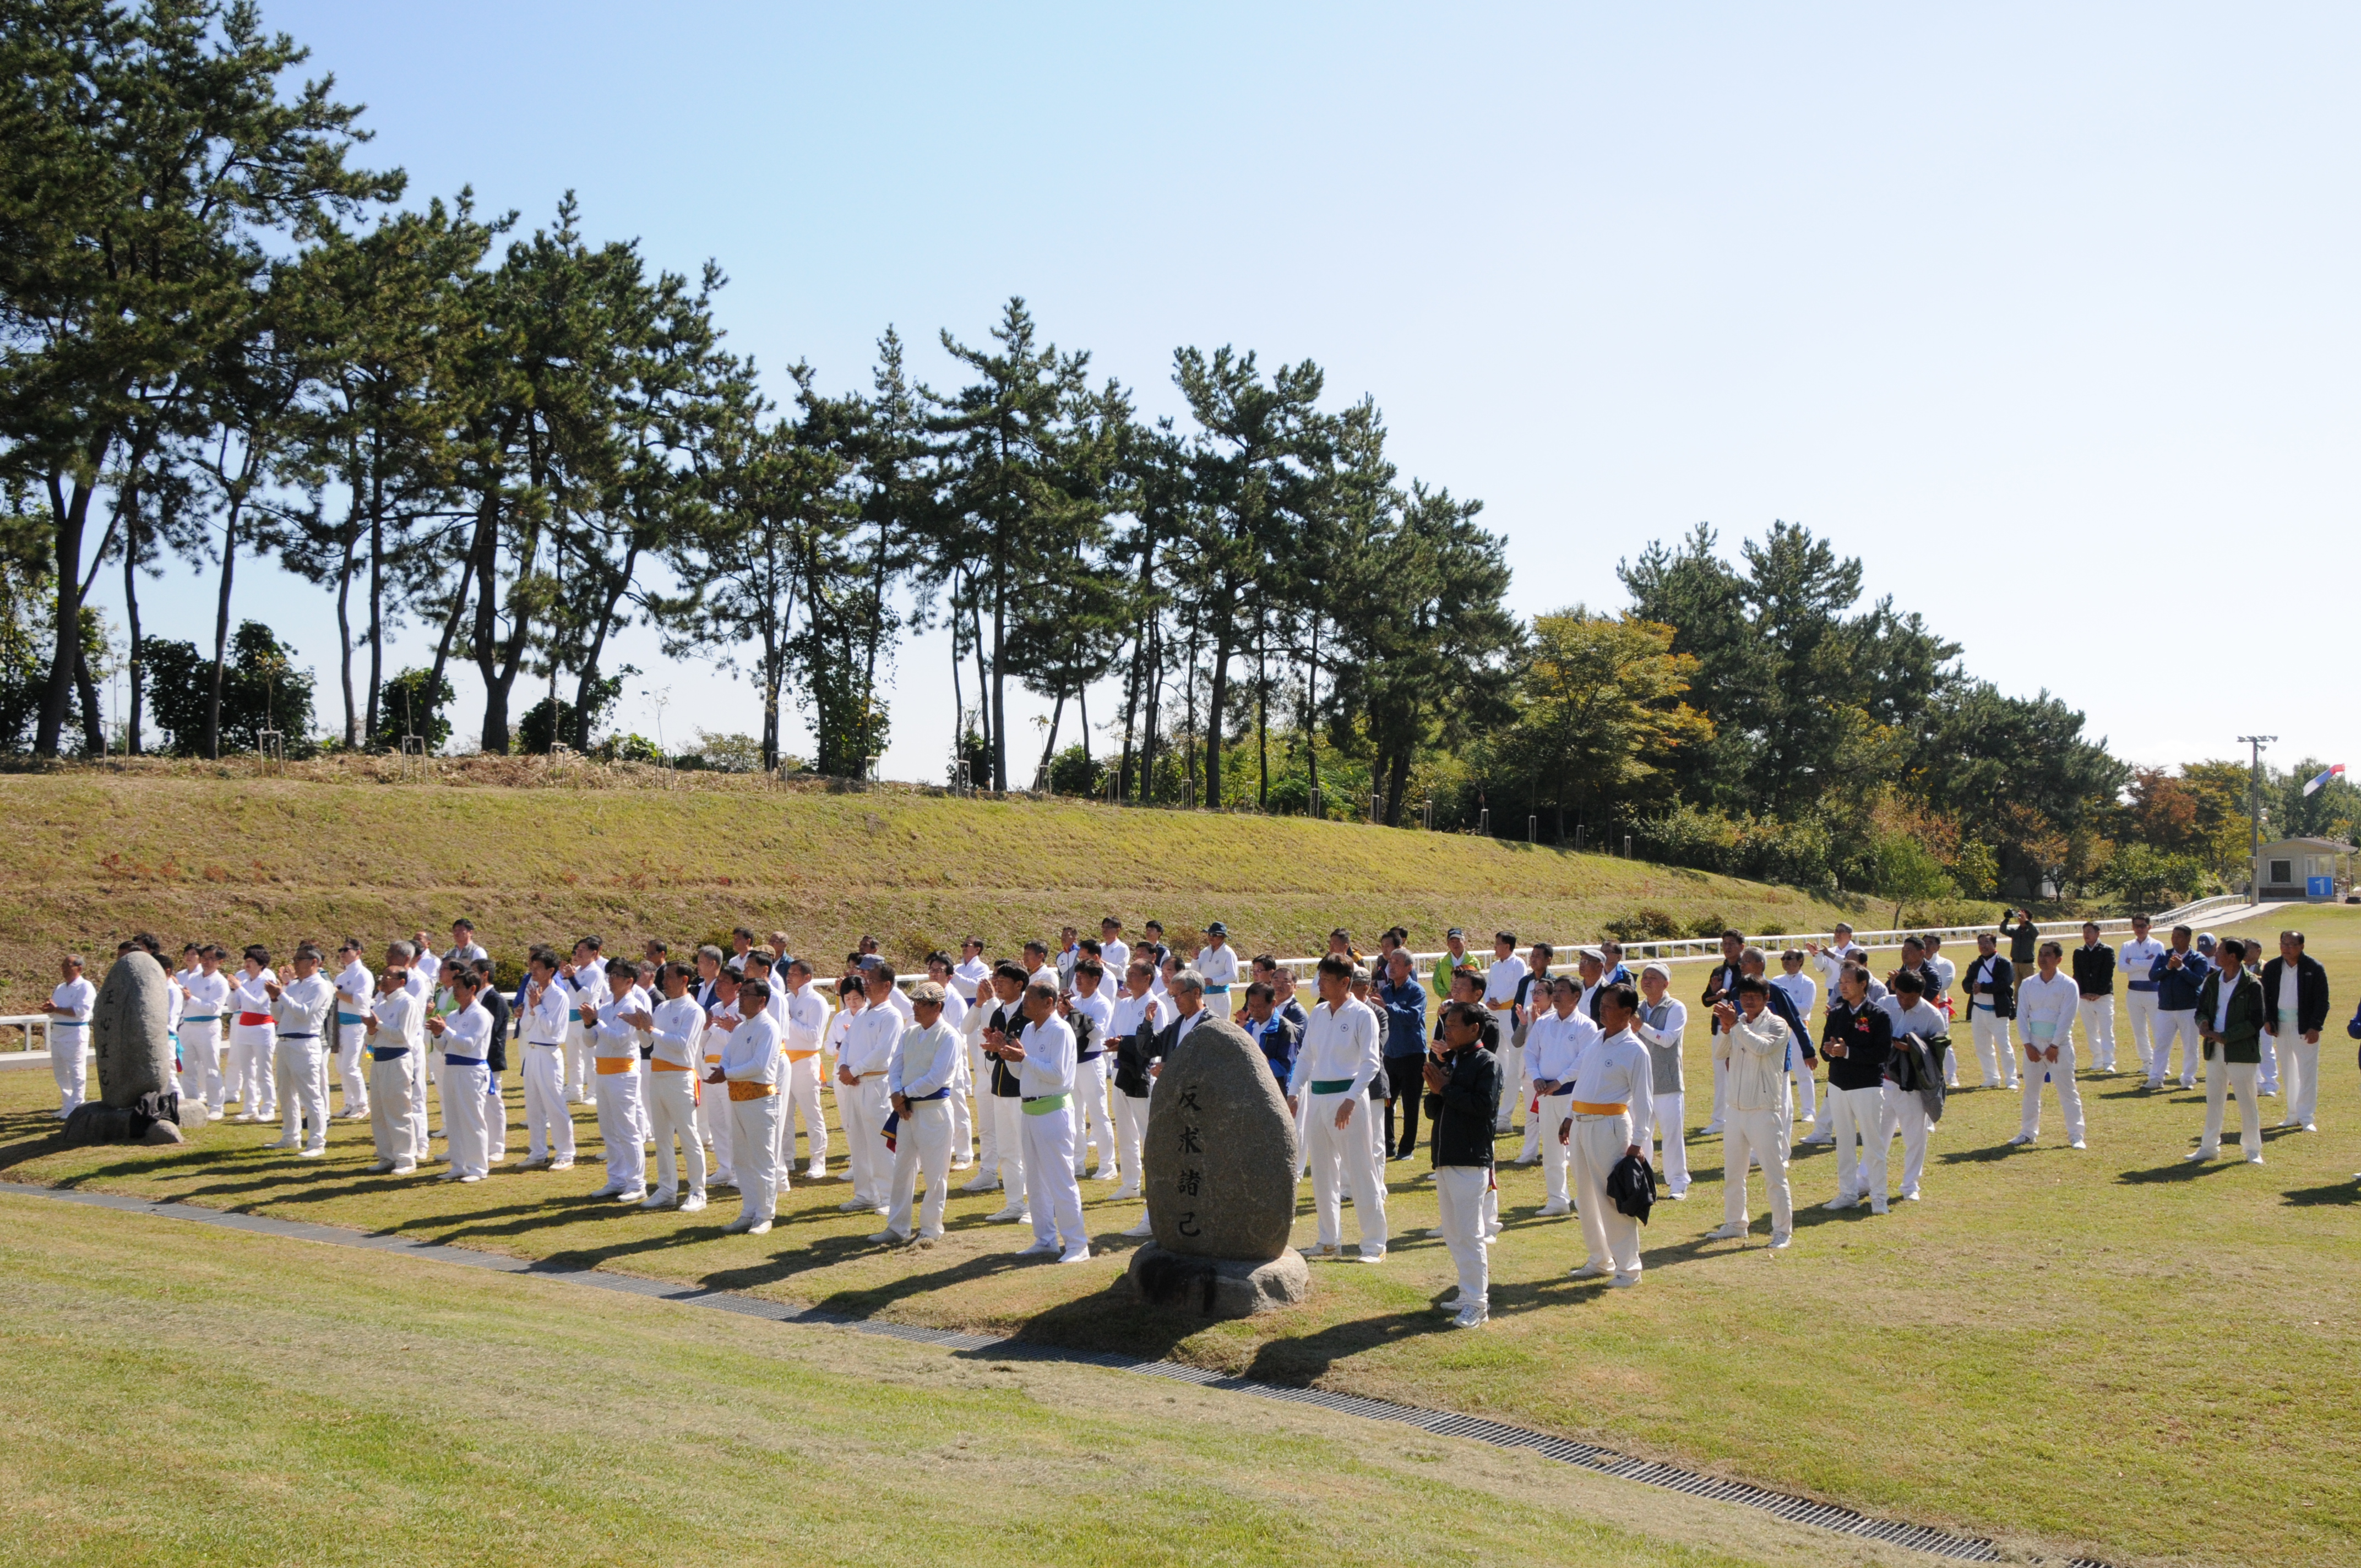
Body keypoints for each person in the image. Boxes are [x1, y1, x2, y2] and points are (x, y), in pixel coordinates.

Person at [1288, 953, 1388, 1263]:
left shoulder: (1362, 1015)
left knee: (1361, 1171)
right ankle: (1329, 1239)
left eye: (1326, 980)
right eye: (1319, 978)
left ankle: (1374, 1244)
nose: (1319, 984)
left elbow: (1371, 1062)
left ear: (1345, 983)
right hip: (1318, 1098)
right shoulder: (1318, 1013)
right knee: (1321, 1173)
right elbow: (1306, 1057)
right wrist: (1294, 1092)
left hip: (1348, 1098)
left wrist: (1351, 1099)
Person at [1564, 981, 1654, 1287]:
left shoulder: (1635, 1050)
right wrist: (1568, 1116)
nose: (1601, 1011)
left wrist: (1638, 1142)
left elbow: (1644, 1100)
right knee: (1585, 1198)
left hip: (1610, 1127)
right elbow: (1583, 1081)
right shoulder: (1597, 1040)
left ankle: (1629, 1269)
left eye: (1608, 1006)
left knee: (1613, 1199)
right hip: (1580, 1124)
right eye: (1601, 1005)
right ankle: (1599, 1259)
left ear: (1628, 1013)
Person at [1424, 1000, 1504, 1329]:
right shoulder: (1454, 1060)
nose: (1448, 1031)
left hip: (1470, 1159)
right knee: (1454, 1233)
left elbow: (1483, 1107)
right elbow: (1434, 1109)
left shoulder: (1488, 1063)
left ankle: (1477, 1303)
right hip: (1445, 1157)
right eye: (1446, 1025)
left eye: (1454, 1025)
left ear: (1474, 1029)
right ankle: (1466, 1291)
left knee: (1470, 1234)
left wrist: (1446, 1088)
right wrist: (1436, 1089)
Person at [1000, 978, 1091, 1262]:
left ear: (1048, 1002)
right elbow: (1021, 1074)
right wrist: (1006, 1055)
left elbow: (1058, 1076)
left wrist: (1023, 1058)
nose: (1024, 1002)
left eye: (1029, 997)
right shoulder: (1029, 1029)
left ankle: (1077, 1245)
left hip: (1054, 1112)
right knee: (1035, 1181)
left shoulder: (1060, 1031)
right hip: (1030, 1111)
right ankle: (1045, 1240)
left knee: (1061, 1180)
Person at [1707, 977, 1794, 1248]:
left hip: (1764, 1110)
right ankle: (1735, 1223)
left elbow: (1761, 1048)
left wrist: (1736, 1026)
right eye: (1744, 995)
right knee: (1734, 1172)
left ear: (1766, 998)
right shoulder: (1738, 1022)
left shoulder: (1778, 1025)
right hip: (1735, 1109)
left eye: (1755, 996)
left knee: (1773, 1173)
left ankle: (1782, 1231)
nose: (1748, 1000)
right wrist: (1725, 1029)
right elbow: (1721, 1054)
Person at [877, 980, 961, 1245]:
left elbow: (937, 1078)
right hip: (908, 1110)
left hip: (933, 1110)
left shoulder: (949, 1035)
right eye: (914, 1002)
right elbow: (895, 1066)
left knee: (936, 1173)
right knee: (902, 1168)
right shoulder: (910, 1032)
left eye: (921, 1003)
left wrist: (903, 1094)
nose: (915, 1008)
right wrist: (896, 1093)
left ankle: (930, 1228)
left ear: (937, 1007)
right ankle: (897, 1226)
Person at [627, 961, 708, 1211]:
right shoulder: (662, 1008)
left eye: (670, 977)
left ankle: (698, 1191)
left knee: (688, 1136)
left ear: (684, 980)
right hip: (659, 1076)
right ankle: (666, 1189)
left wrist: (651, 1029)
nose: (665, 982)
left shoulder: (694, 1011)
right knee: (662, 1137)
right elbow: (646, 1041)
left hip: (680, 1077)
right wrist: (641, 1027)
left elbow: (682, 1044)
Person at [712, 976, 784, 1233]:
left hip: (759, 1099)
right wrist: (722, 1069)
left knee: (762, 1159)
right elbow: (728, 1055)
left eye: (746, 994)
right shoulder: (742, 1028)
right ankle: (749, 1210)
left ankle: (765, 1215)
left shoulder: (769, 1027)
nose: (740, 998)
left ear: (762, 1000)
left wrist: (727, 1073)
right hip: (738, 1098)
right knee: (742, 1158)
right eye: (741, 993)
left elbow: (760, 1066)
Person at [1819, 966, 1892, 1215]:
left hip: (1867, 1086)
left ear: (1863, 984)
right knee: (1844, 1142)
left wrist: (1848, 1052)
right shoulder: (1837, 1013)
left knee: (1873, 1144)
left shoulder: (1878, 1015)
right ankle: (1847, 1193)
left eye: (1849, 981)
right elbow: (1824, 1048)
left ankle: (1879, 1196)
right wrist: (1829, 1050)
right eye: (1841, 981)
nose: (1843, 986)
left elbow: (1882, 1053)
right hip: (1838, 1084)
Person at [1523, 975, 1598, 1216]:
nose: (1556, 995)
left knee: (1577, 1150)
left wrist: (1560, 1081)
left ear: (1576, 997)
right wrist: (1536, 1077)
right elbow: (1531, 1052)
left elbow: (1584, 1060)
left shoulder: (1587, 1026)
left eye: (1563, 991)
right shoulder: (1544, 1023)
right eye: (1555, 991)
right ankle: (1557, 1200)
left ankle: (1586, 1199)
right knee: (1553, 1151)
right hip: (1545, 1094)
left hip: (1572, 1095)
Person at [2188, 939, 2266, 1165]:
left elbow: (2256, 1021)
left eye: (2221, 951)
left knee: (2247, 1100)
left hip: (2241, 1051)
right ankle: (2209, 1147)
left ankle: (2253, 1149)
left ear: (2232, 956)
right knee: (2214, 1099)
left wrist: (2227, 1036)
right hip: (2215, 1050)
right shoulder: (2213, 981)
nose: (2217, 954)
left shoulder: (2252, 984)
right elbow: (2201, 1010)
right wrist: (2203, 1023)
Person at [1875, 970, 1948, 1200]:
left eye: (1911, 998)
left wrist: (1915, 1047)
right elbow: (1868, 1028)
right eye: (1901, 996)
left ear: (1921, 994)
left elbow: (1940, 1049)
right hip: (1882, 1082)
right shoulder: (1884, 1003)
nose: (1905, 1001)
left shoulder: (1932, 1015)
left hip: (1913, 1086)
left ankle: (1910, 1186)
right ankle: (1866, 1180)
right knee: (1876, 1136)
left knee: (1915, 1138)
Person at [837, 966, 904, 1216]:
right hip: (854, 1084)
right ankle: (865, 1194)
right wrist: (845, 1066)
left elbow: (882, 1052)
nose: (866, 985)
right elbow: (847, 1043)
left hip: (876, 1085)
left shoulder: (892, 1015)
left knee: (880, 1143)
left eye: (872, 981)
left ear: (886, 985)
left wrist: (853, 1070)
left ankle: (889, 1196)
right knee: (858, 1141)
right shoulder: (863, 1013)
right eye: (866, 979)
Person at [262, 944, 336, 1157]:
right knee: (285, 1094)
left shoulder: (321, 986)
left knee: (311, 1095)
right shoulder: (294, 986)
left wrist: (282, 996)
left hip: (305, 1043)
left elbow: (304, 1013)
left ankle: (316, 1142)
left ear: (314, 962)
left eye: (299, 959)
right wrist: (275, 998)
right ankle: (290, 1136)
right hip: (285, 1041)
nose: (295, 962)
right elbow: (279, 1015)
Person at [2011, 941, 2087, 1151]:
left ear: (2059, 959)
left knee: (2068, 1090)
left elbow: (2067, 1018)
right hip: (2034, 1044)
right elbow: (2022, 1015)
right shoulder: (2028, 984)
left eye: (2048, 955)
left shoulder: (2068, 984)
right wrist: (2028, 1044)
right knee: (2031, 1091)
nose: (2043, 958)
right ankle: (2027, 1133)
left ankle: (2076, 1135)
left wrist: (2054, 1045)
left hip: (2059, 1045)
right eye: (2041, 954)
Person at [588, 957, 651, 1202]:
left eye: (616, 975)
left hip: (623, 1073)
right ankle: (616, 1179)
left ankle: (637, 1183)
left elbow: (618, 1040)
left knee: (628, 1129)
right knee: (609, 1130)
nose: (611, 979)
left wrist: (596, 1022)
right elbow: (590, 1040)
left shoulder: (633, 1006)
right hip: (603, 1073)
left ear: (629, 981)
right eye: (610, 974)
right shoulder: (605, 1007)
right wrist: (588, 1025)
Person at [423, 966, 493, 1184]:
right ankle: (458, 1164)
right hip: (453, 1069)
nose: (454, 991)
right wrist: (437, 1035)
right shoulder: (453, 1016)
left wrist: (445, 1030)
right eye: (453, 986)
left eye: (458, 987)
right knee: (453, 1119)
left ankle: (478, 1168)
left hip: (472, 1070)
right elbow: (446, 1046)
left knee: (473, 1120)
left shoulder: (481, 1015)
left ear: (472, 988)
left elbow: (468, 1044)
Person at [976, 962, 1034, 1224]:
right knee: (1008, 1150)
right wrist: (992, 1045)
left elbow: (1030, 1051)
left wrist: (1005, 1045)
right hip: (1000, 1087)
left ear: (1019, 985)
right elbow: (993, 1052)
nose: (997, 984)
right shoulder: (998, 1013)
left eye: (1003, 981)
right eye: (996, 980)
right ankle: (1014, 1203)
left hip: (1023, 1090)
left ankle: (1035, 1205)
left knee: (1028, 1150)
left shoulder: (1030, 1012)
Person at [1108, 959, 1170, 1200]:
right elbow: (1112, 1033)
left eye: (1134, 974)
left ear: (1147, 978)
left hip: (1143, 1073)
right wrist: (1115, 1042)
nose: (1128, 978)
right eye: (1128, 973)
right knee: (1125, 1129)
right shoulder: (1123, 1004)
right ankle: (1131, 1183)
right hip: (1120, 1070)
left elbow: (1157, 1042)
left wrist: (1125, 1043)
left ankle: (1156, 1181)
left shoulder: (1156, 1005)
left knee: (1146, 1130)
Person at [2261, 930, 2330, 1132]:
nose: (2286, 948)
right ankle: (2292, 1114)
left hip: (2305, 1027)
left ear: (2302, 947)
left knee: (2307, 1072)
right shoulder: (2273, 967)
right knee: (2289, 1071)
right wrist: (2268, 1021)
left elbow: (2322, 1001)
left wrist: (2315, 1026)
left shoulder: (2314, 968)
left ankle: (2306, 1117)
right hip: (2281, 1027)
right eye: (2284, 943)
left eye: (2292, 944)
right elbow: (2265, 997)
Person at [517, 949, 578, 1171]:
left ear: (550, 971)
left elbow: (553, 1031)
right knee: (533, 1105)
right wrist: (532, 1010)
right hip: (531, 1052)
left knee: (554, 1104)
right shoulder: (531, 991)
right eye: (531, 967)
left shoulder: (559, 996)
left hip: (549, 1053)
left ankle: (566, 1153)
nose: (533, 971)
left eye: (538, 968)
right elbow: (524, 1025)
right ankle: (537, 1152)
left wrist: (538, 1007)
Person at [1633, 963, 1689, 1200]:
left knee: (1672, 1136)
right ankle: (1644, 1181)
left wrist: (1640, 1027)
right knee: (1641, 1136)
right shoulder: (1637, 1009)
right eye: (1645, 977)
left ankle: (1678, 1183)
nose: (1647, 981)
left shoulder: (1676, 1008)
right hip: (1641, 1083)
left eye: (1653, 978)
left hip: (1667, 1083)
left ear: (1666, 984)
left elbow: (1667, 1040)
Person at [362, 963, 423, 1174]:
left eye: (390, 976)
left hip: (398, 1060)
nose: (384, 979)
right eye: (383, 975)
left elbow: (404, 1037)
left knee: (399, 1111)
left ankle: (406, 1159)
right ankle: (386, 1156)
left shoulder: (407, 1003)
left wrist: (377, 1025)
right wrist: (371, 1030)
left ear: (402, 982)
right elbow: (369, 1041)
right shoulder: (380, 1005)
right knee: (379, 1113)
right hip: (379, 1060)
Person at [1375, 949, 1430, 1159]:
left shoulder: (1417, 992)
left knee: (1410, 1103)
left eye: (1397, 962)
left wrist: (1387, 1008)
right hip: (1390, 1054)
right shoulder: (1386, 992)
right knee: (1386, 1101)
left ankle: (1407, 1149)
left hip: (1412, 1053)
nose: (1392, 966)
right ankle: (1389, 1145)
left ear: (1409, 968)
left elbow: (1413, 1017)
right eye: (1390, 962)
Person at [1066, 958, 1118, 1180]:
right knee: (1074, 1115)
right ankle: (1078, 1163)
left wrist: (1074, 1013)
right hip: (1072, 1063)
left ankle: (1108, 1165)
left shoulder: (1102, 1003)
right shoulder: (1075, 1000)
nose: (1077, 980)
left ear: (1095, 979)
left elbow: (1098, 1033)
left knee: (1098, 1115)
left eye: (1082, 976)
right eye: (1076, 976)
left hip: (1092, 1061)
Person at [1762, 949, 1821, 1137]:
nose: (1786, 961)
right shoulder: (1777, 981)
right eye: (1783, 958)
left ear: (1801, 961)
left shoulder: (1808, 983)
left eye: (1790, 958)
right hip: (1778, 1031)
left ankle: (1809, 1111)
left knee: (1803, 1072)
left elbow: (1806, 1008)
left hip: (1798, 1030)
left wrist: (1786, 1005)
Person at [2148, 924, 2209, 1091]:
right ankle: (2156, 1078)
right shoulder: (2164, 956)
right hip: (2165, 1008)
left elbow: (2197, 980)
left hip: (2189, 1008)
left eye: (2179, 936)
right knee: (2161, 1044)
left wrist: (2181, 968)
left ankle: (2188, 1079)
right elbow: (2153, 976)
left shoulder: (2198, 959)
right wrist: (2168, 967)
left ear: (2189, 938)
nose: (2175, 939)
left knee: (2190, 1046)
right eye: (2173, 936)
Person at [1480, 932, 1528, 1134]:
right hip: (1494, 1013)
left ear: (1507, 946)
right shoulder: (1496, 966)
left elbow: (1517, 986)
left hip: (1509, 1013)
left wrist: (1499, 999)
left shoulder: (1518, 964)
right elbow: (1488, 985)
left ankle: (1512, 1095)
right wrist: (1489, 998)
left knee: (1515, 1054)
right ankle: (1504, 1084)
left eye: (1498, 944)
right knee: (1499, 1053)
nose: (1495, 948)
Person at [1700, 930, 1745, 1136]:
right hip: (1720, 1028)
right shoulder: (1719, 970)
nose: (1727, 947)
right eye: (1724, 943)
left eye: (1731, 943)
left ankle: (1740, 1115)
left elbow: (1749, 995)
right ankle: (1720, 1120)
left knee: (1741, 1073)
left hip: (1742, 1027)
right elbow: (1706, 1000)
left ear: (1741, 946)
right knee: (1720, 1074)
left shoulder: (1747, 968)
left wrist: (1728, 993)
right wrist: (1713, 991)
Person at [1960, 932, 2019, 1090]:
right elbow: (1966, 982)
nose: (1983, 946)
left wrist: (1983, 988)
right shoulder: (1976, 964)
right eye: (1980, 943)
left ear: (1994, 945)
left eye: (1987, 943)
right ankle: (1991, 1077)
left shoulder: (2004, 963)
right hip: (1979, 1010)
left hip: (1997, 1011)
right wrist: (1971, 987)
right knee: (1983, 1047)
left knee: (2004, 1046)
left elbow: (2005, 983)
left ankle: (2012, 1079)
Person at [179, 945, 232, 1118]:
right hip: (188, 1026)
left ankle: (217, 1107)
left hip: (208, 1027)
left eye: (211, 959)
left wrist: (191, 998)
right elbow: (184, 1003)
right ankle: (191, 1104)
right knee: (188, 1068)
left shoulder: (220, 982)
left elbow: (213, 1008)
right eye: (205, 958)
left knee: (211, 1068)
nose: (207, 962)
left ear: (219, 962)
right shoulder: (193, 978)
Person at [227, 946, 279, 1123]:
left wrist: (240, 988)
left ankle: (269, 1107)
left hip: (262, 1027)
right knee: (247, 1070)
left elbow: (258, 1004)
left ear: (261, 965)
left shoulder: (267, 980)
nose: (247, 965)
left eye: (251, 962)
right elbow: (234, 1007)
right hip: (244, 1026)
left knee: (263, 1070)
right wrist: (234, 990)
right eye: (246, 961)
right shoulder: (246, 982)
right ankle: (250, 1107)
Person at [41, 954, 95, 1119]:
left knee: (76, 1070)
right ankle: (67, 1105)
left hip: (75, 1033)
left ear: (79, 968)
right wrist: (51, 1009)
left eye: (68, 965)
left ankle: (77, 1105)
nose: (64, 968)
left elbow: (80, 1012)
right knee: (61, 1072)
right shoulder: (60, 988)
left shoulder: (85, 987)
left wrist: (57, 1009)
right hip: (58, 1032)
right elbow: (56, 1010)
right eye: (63, 965)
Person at [330, 940, 374, 1121]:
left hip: (356, 1025)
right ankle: (350, 1103)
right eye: (341, 950)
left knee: (350, 1066)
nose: (342, 953)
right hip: (340, 1024)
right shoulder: (341, 976)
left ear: (358, 952)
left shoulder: (363, 975)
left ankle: (363, 1104)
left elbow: (360, 1000)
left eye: (346, 950)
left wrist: (336, 992)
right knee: (341, 1067)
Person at [2118, 914, 2165, 1080]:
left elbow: (2155, 966)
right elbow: (2121, 968)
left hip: (2153, 992)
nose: (2140, 929)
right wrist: (2143, 962)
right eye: (2136, 926)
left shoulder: (2157, 945)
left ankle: (2162, 1064)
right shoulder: (2127, 945)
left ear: (2149, 927)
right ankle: (2147, 1062)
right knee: (2139, 1031)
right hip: (2134, 992)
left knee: (2158, 1030)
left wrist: (2133, 961)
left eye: (2143, 926)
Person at [2070, 922, 2119, 1072]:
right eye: (2084, 932)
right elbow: (2077, 974)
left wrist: (2098, 992)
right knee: (2091, 1030)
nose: (2087, 935)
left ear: (2098, 933)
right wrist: (2083, 993)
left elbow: (2107, 974)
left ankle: (2109, 1061)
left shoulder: (2107, 950)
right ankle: (2097, 1059)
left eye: (2090, 932)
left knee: (2106, 1029)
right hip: (2085, 998)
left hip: (2103, 997)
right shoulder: (2079, 952)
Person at [1197, 922, 1241, 1008]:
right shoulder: (1204, 952)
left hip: (1220, 997)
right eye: (1209, 934)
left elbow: (1232, 975)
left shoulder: (1228, 953)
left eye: (1214, 935)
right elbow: (1196, 971)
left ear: (1223, 937)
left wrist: (1214, 981)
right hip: (1203, 997)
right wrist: (1195, 959)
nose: (1211, 937)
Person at [1432, 928, 1474, 997]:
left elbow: (1477, 983)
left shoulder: (1473, 961)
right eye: (1452, 942)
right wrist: (1446, 994)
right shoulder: (1442, 962)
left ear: (1465, 943)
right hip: (1448, 1004)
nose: (1455, 944)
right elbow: (1436, 982)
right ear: (1448, 944)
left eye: (1458, 941)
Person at [2000, 908, 2041, 974]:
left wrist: (2026, 921)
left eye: (2023, 916)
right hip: (2015, 963)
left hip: (2028, 964)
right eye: (2019, 916)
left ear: (2029, 919)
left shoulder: (2031, 931)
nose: (2020, 918)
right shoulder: (2015, 930)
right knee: (2017, 984)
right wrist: (2007, 919)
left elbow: (2036, 933)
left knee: (2028, 984)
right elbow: (2003, 930)